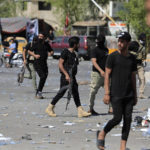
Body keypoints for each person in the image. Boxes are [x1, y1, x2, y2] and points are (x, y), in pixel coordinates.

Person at [96, 32, 137, 150]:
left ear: (128, 43)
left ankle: (123, 146)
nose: (119, 43)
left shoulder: (132, 58)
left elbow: (133, 77)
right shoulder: (112, 57)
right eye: (119, 41)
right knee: (117, 118)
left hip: (129, 95)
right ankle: (102, 133)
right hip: (116, 94)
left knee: (128, 120)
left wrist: (135, 95)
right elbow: (107, 75)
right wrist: (107, 93)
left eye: (122, 41)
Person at [45, 36, 91, 118]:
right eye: (78, 43)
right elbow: (60, 64)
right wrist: (66, 75)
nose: (79, 45)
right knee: (61, 93)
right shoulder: (65, 52)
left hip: (72, 76)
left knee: (75, 93)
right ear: (74, 44)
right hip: (66, 76)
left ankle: (80, 111)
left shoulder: (75, 53)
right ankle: (49, 108)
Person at [88, 34, 109, 115]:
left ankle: (111, 109)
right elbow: (94, 61)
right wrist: (101, 71)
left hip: (106, 74)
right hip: (97, 74)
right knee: (93, 91)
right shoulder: (94, 50)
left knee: (109, 90)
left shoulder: (106, 50)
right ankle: (90, 109)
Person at [28, 32, 53, 99]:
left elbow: (51, 51)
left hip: (44, 63)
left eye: (41, 36)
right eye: (39, 36)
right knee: (42, 76)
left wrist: (50, 53)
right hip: (37, 63)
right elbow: (29, 51)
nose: (40, 38)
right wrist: (35, 55)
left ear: (44, 37)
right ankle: (39, 92)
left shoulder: (46, 44)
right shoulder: (36, 44)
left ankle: (39, 92)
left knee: (45, 77)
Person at [128, 35, 147, 99]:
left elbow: (144, 56)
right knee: (130, 79)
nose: (144, 40)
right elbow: (128, 51)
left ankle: (141, 94)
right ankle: (130, 93)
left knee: (142, 79)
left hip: (139, 65)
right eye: (143, 39)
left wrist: (144, 61)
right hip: (132, 64)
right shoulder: (134, 43)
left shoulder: (143, 46)